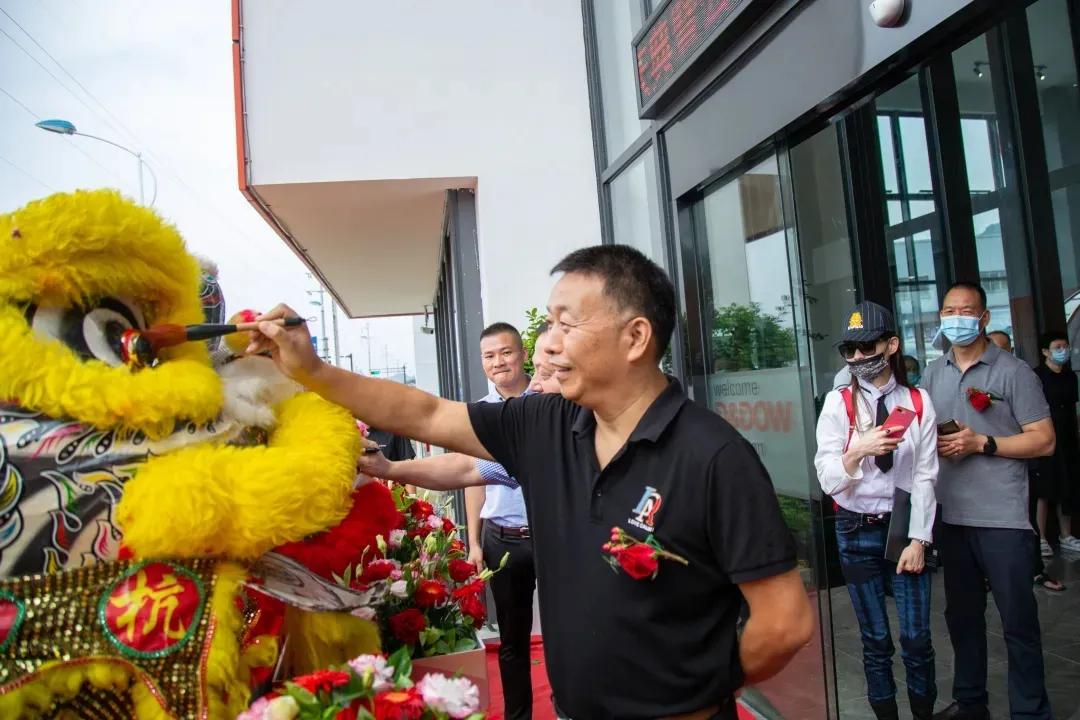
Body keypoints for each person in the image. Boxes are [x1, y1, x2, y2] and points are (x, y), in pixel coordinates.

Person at [248, 244, 815, 720]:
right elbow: (425, 415)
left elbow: (783, 622)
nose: (549, 342)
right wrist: (312, 371)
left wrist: (706, 694)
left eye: (567, 323)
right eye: (549, 323)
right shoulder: (545, 423)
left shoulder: (713, 456)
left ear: (636, 337)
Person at [922, 282, 1056, 720]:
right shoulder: (932, 372)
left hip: (1003, 517)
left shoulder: (1014, 372)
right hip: (951, 515)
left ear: (983, 318)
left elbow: (1045, 441)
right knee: (962, 620)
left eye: (965, 310)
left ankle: (1031, 711)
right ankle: (970, 702)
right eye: (947, 310)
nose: (955, 318)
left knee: (1018, 622)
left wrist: (984, 442)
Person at [814, 302, 938, 720]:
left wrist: (919, 539)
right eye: (849, 350)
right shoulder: (837, 404)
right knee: (875, 639)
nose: (858, 358)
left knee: (917, 637)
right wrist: (858, 451)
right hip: (854, 528)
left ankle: (922, 712)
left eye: (867, 347)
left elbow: (925, 475)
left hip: (903, 526)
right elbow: (828, 477)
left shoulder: (918, 402)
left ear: (891, 345)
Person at [987, 331, 1065, 592]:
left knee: (1024, 519)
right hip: (983, 471)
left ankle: (1034, 570)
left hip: (1021, 463)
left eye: (1002, 348)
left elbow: (1041, 436)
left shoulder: (1019, 376)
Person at [1031, 330, 1080, 556]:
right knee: (1045, 489)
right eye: (1057, 347)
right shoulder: (1037, 377)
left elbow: (1072, 408)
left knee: (1067, 487)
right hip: (1045, 437)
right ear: (1044, 351)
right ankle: (1041, 538)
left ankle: (1066, 534)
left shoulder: (1070, 377)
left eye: (1064, 346)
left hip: (1068, 437)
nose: (1063, 351)